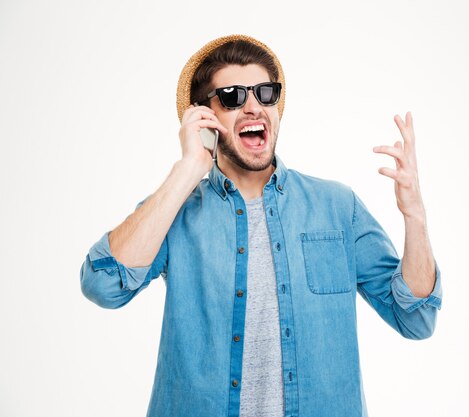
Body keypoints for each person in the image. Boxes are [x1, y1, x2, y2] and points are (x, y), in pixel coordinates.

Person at [80, 34, 443, 417]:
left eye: (265, 93)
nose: (253, 107)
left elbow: (416, 317)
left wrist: (415, 215)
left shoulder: (337, 207)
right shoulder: (176, 210)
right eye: (233, 96)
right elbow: (103, 285)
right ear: (205, 117)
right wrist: (187, 169)